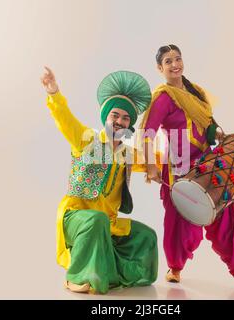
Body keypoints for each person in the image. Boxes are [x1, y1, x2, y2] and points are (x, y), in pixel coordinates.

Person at [140, 45, 234, 287]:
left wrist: (215, 130)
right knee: (178, 221)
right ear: (159, 68)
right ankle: (175, 266)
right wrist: (150, 165)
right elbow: (148, 131)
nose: (175, 64)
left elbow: (205, 123)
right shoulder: (163, 97)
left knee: (225, 213)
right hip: (179, 166)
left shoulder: (194, 91)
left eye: (178, 58)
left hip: (207, 163)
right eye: (168, 61)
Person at [41, 67, 158, 294]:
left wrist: (158, 166)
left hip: (108, 222)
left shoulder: (128, 154)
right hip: (76, 217)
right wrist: (54, 92)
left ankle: (119, 276)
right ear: (106, 117)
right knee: (96, 221)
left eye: (125, 118)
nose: (119, 121)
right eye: (115, 115)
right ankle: (76, 276)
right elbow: (65, 120)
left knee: (146, 235)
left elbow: (155, 161)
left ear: (129, 125)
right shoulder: (86, 140)